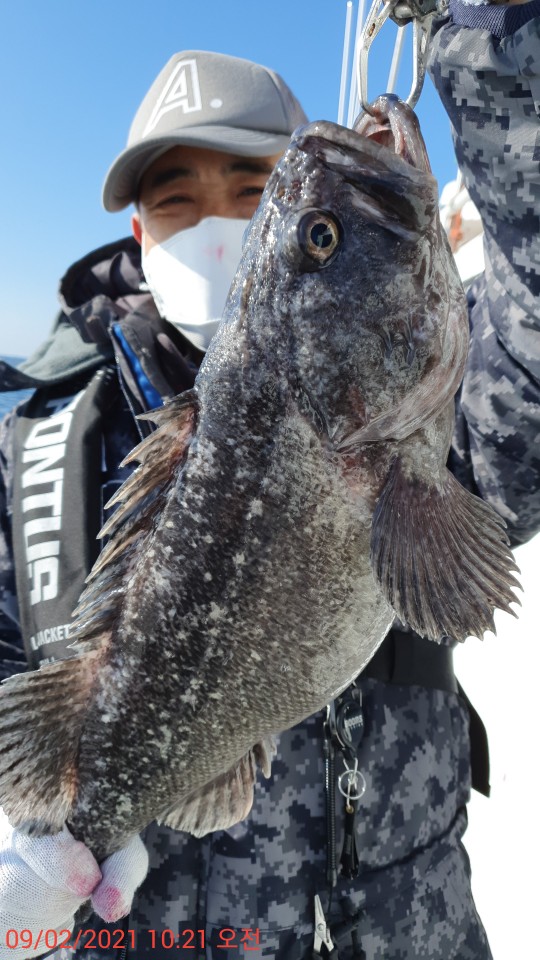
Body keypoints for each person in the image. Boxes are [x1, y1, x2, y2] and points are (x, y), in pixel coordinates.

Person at [0, 3, 539, 954]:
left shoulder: (427, 425)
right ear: (137, 225)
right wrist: (33, 837)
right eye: (177, 198)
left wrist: (488, 34)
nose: (213, 222)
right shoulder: (37, 442)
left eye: (258, 192)